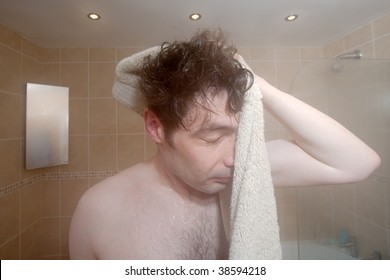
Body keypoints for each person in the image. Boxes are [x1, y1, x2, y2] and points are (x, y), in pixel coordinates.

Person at [68, 30, 380, 260]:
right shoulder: (99, 211)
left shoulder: (245, 169)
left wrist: (258, 87)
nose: (234, 157)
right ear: (156, 128)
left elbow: (359, 162)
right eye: (212, 138)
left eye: (239, 134)